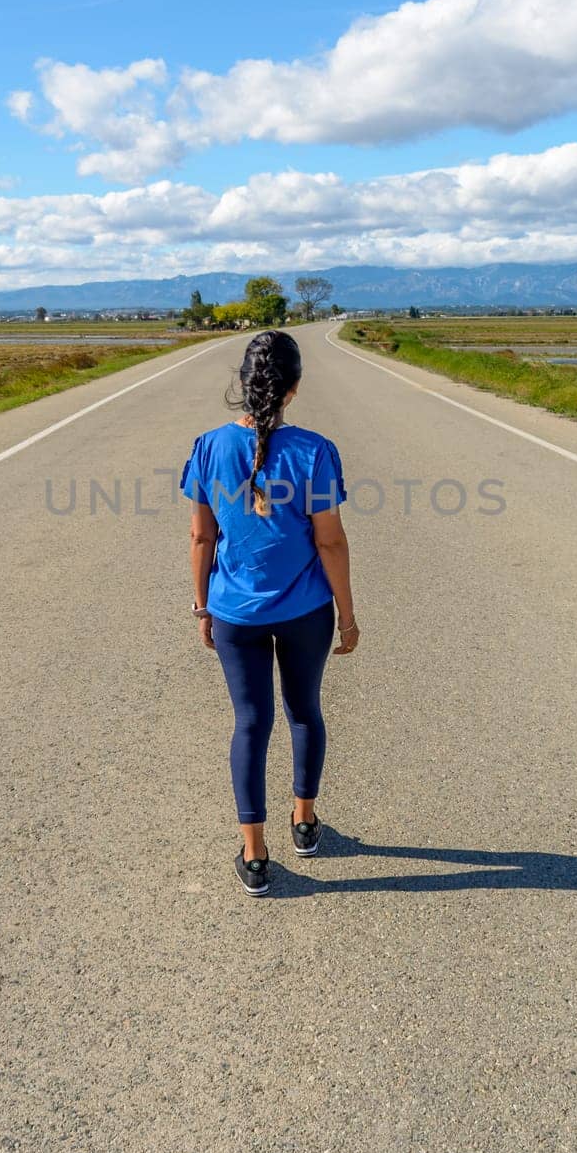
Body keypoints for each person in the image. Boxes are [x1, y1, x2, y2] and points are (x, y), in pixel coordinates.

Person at [180, 329, 359, 897]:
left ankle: (254, 855)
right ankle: (304, 823)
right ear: (294, 388)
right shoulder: (314, 451)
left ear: (243, 383)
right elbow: (330, 543)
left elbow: (201, 537)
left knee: (251, 722)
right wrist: (348, 617)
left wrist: (203, 606)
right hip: (306, 611)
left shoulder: (208, 447)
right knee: (304, 710)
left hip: (236, 611)